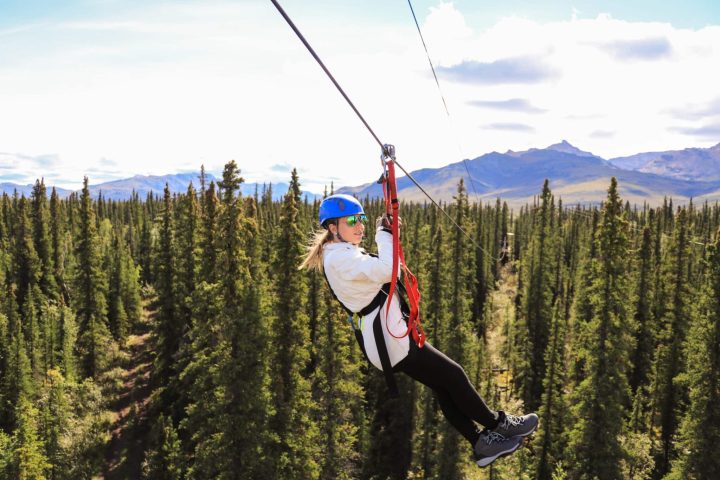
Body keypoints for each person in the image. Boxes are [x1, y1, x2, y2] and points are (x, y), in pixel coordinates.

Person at [300, 194, 538, 468]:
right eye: (352, 220)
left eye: (362, 219)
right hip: (391, 341)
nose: (360, 225)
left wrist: (386, 232)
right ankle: (500, 424)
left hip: (388, 337)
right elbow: (390, 271)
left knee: (443, 385)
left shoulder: (341, 252)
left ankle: (481, 443)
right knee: (453, 375)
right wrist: (384, 232)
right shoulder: (340, 259)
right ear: (332, 227)